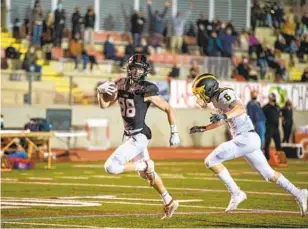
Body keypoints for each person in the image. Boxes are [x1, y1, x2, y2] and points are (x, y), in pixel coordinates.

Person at [189, 73, 307, 216]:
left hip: (245, 138)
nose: (200, 97)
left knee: (211, 160)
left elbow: (240, 108)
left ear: (208, 88)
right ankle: (299, 193)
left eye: (201, 93)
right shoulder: (215, 100)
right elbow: (222, 121)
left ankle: (236, 193)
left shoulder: (223, 94)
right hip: (248, 139)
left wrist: (225, 115)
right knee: (270, 174)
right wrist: (204, 128)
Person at [96, 54, 180, 219]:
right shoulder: (120, 83)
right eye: (134, 67)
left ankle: (145, 165)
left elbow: (169, 109)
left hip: (140, 136)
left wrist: (174, 131)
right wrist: (99, 91)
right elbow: (104, 105)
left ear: (145, 70)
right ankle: (169, 201)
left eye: (140, 68)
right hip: (128, 136)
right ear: (128, 68)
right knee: (147, 176)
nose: (136, 71)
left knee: (111, 167)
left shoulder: (146, 89)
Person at [262, 93, 282, 160]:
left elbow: (279, 115)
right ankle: (267, 157)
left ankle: (279, 158)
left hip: (276, 127)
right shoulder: (265, 107)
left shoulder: (277, 106)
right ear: (270, 98)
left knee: (278, 143)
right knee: (267, 142)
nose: (274, 99)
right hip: (269, 127)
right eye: (273, 97)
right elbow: (262, 117)